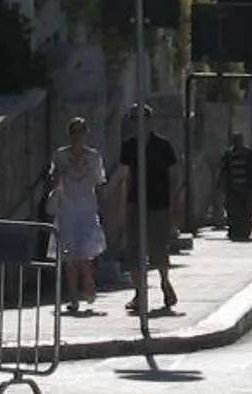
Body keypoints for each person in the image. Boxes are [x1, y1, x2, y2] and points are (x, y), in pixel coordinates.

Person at [116, 108, 181, 315]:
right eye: (135, 119)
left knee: (159, 248)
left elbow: (172, 177)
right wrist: (123, 207)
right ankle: (139, 293)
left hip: (159, 203)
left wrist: (173, 206)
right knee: (134, 251)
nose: (138, 123)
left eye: (142, 118)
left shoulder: (163, 145)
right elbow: (126, 177)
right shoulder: (129, 146)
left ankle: (164, 282)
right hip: (136, 203)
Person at [50, 116, 107, 315]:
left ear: (86, 134)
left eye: (81, 132)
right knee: (69, 255)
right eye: (73, 132)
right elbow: (54, 179)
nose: (77, 137)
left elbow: (99, 183)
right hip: (67, 209)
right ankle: (73, 296)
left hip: (87, 209)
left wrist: (103, 208)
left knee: (85, 254)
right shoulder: (60, 155)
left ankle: (88, 284)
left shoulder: (94, 157)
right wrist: (58, 174)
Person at [218, 131, 252, 242]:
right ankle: (234, 231)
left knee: (245, 212)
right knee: (233, 212)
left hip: (246, 189)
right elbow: (223, 169)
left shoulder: (249, 153)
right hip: (232, 189)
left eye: (239, 139)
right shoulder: (229, 154)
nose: (237, 142)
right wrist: (222, 185)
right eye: (235, 139)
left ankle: (244, 232)